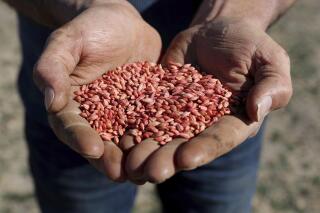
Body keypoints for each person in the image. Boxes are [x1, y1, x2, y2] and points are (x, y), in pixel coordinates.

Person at [4, 0, 295, 212]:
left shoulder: (216, 97)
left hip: (231, 91)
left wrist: (239, 11)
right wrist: (86, 4)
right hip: (77, 79)